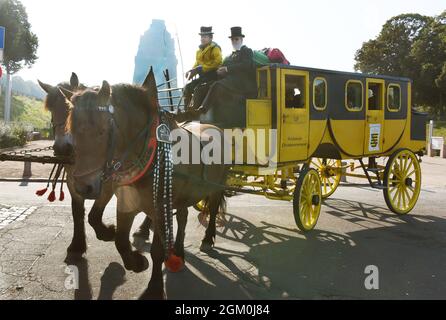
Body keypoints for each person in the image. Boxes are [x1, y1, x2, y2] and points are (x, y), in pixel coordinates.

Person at [197, 26, 257, 114]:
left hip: (242, 84)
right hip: (231, 82)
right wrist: (219, 71)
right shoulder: (230, 56)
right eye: (232, 40)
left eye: (236, 39)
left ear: (241, 40)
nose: (234, 41)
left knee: (217, 85)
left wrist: (227, 69)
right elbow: (223, 66)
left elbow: (246, 65)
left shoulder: (247, 51)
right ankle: (192, 111)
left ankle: (203, 109)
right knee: (205, 86)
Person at [183, 26, 223, 109]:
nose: (202, 39)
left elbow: (218, 62)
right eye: (201, 37)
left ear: (210, 38)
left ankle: (194, 111)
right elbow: (197, 63)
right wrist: (191, 71)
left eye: (205, 37)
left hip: (212, 77)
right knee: (187, 88)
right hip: (202, 77)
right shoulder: (199, 51)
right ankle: (186, 111)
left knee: (198, 89)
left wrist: (202, 68)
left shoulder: (215, 48)